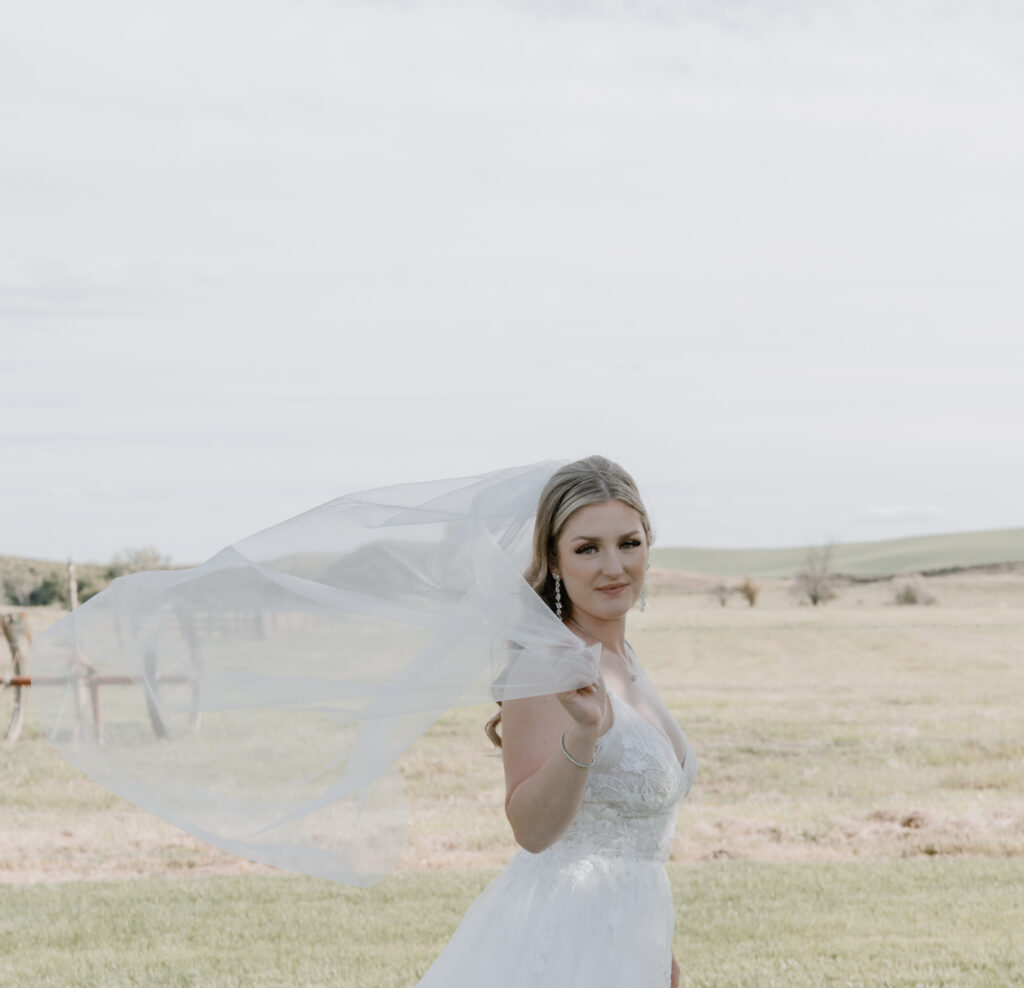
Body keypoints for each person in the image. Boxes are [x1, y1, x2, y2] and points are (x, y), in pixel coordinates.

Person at [415, 455, 697, 987]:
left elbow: (628, 839)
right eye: (588, 548)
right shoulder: (551, 661)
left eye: (628, 543)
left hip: (627, 938)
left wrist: (657, 950)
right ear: (555, 559)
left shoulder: (624, 656)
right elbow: (532, 830)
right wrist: (583, 735)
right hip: (563, 938)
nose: (613, 566)